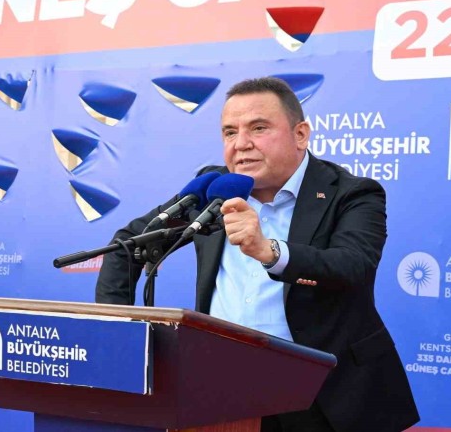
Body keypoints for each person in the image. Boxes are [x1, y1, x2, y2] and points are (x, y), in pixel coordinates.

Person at [95, 77, 419, 432]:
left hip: (324, 397)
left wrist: (269, 252)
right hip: (221, 393)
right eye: (229, 132)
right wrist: (120, 339)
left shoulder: (352, 193)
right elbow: (128, 246)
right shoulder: (214, 189)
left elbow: (353, 265)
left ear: (300, 134)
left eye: (259, 128)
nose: (241, 144)